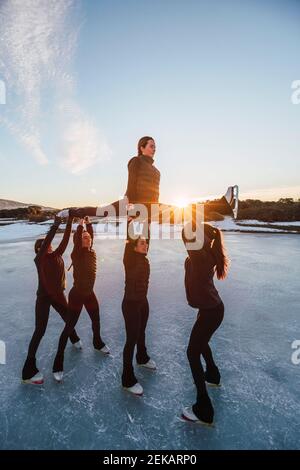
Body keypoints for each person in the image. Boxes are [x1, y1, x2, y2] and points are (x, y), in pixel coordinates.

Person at [57, 136, 239, 236]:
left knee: (185, 210)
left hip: (150, 206)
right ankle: (70, 212)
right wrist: (129, 203)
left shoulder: (156, 170)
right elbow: (131, 181)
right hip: (133, 202)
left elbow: (155, 193)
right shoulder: (135, 161)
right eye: (151, 145)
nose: (154, 148)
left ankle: (224, 204)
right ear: (142, 147)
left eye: (155, 146)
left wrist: (151, 215)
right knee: (100, 211)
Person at [22, 216, 81, 385]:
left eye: (47, 244)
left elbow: (65, 239)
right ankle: (28, 369)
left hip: (58, 295)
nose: (46, 246)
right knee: (40, 330)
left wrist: (69, 222)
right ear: (38, 250)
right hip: (43, 298)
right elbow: (48, 240)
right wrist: (55, 225)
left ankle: (74, 338)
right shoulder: (39, 259)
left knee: (68, 318)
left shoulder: (57, 254)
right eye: (41, 246)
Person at [181, 222, 229, 425]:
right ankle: (213, 375)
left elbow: (186, 234)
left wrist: (191, 217)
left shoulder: (201, 257)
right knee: (201, 343)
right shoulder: (203, 255)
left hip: (211, 311)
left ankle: (204, 409)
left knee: (192, 352)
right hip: (210, 308)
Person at [52, 217, 109, 382]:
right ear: (79, 241)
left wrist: (89, 224)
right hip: (76, 295)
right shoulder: (76, 252)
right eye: (84, 238)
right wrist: (80, 226)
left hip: (89, 293)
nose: (88, 239)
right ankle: (58, 362)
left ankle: (97, 343)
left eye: (89, 238)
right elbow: (79, 238)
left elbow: (90, 235)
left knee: (96, 320)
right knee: (69, 327)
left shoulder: (92, 251)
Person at [121, 236, 156, 396]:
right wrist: (129, 220)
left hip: (143, 301)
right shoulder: (130, 260)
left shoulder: (144, 259)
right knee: (131, 339)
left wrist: (146, 216)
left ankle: (142, 357)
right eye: (142, 243)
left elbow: (146, 235)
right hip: (131, 304)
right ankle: (127, 379)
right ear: (133, 247)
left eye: (146, 243)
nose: (146, 245)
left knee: (141, 332)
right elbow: (128, 241)